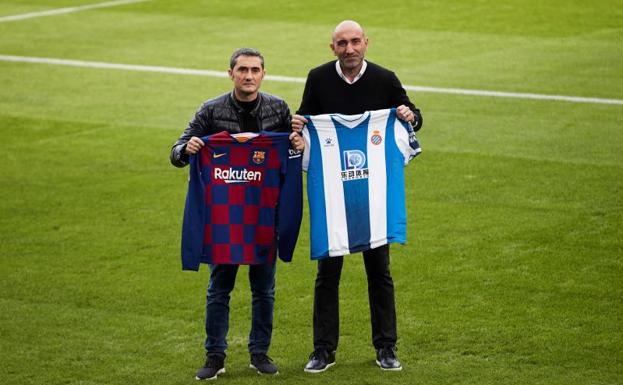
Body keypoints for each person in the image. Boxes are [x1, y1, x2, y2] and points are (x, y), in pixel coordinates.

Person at [291, 20, 423, 373]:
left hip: (373, 197)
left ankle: (386, 347)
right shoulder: (318, 78)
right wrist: (299, 126)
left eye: (354, 42)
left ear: (366, 43)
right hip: (334, 196)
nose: (349, 49)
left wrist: (411, 115)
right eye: (341, 43)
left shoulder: (385, 78)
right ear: (332, 47)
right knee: (327, 274)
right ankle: (323, 350)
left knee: (379, 273)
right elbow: (305, 116)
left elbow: (412, 117)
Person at [170, 48, 304, 380]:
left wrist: (300, 143)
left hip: (263, 217)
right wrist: (185, 149)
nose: (248, 76)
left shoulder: (278, 108)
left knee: (264, 290)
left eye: (254, 70)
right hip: (225, 220)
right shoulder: (211, 110)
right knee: (219, 288)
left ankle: (259, 353)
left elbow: (294, 146)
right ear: (230, 73)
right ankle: (215, 356)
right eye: (242, 70)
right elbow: (177, 149)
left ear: (263, 74)